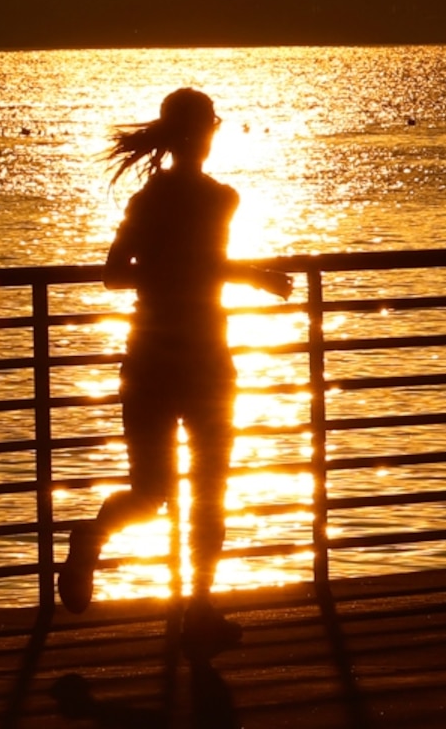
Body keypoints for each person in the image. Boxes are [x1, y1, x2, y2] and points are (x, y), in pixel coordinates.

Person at [57, 87, 290, 652]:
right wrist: (252, 275)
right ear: (204, 133)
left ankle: (95, 541)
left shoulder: (148, 201)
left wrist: (167, 276)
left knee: (151, 492)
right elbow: (200, 265)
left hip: (150, 359)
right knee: (209, 491)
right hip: (203, 359)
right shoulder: (220, 199)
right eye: (210, 126)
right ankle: (197, 607)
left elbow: (115, 274)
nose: (212, 134)